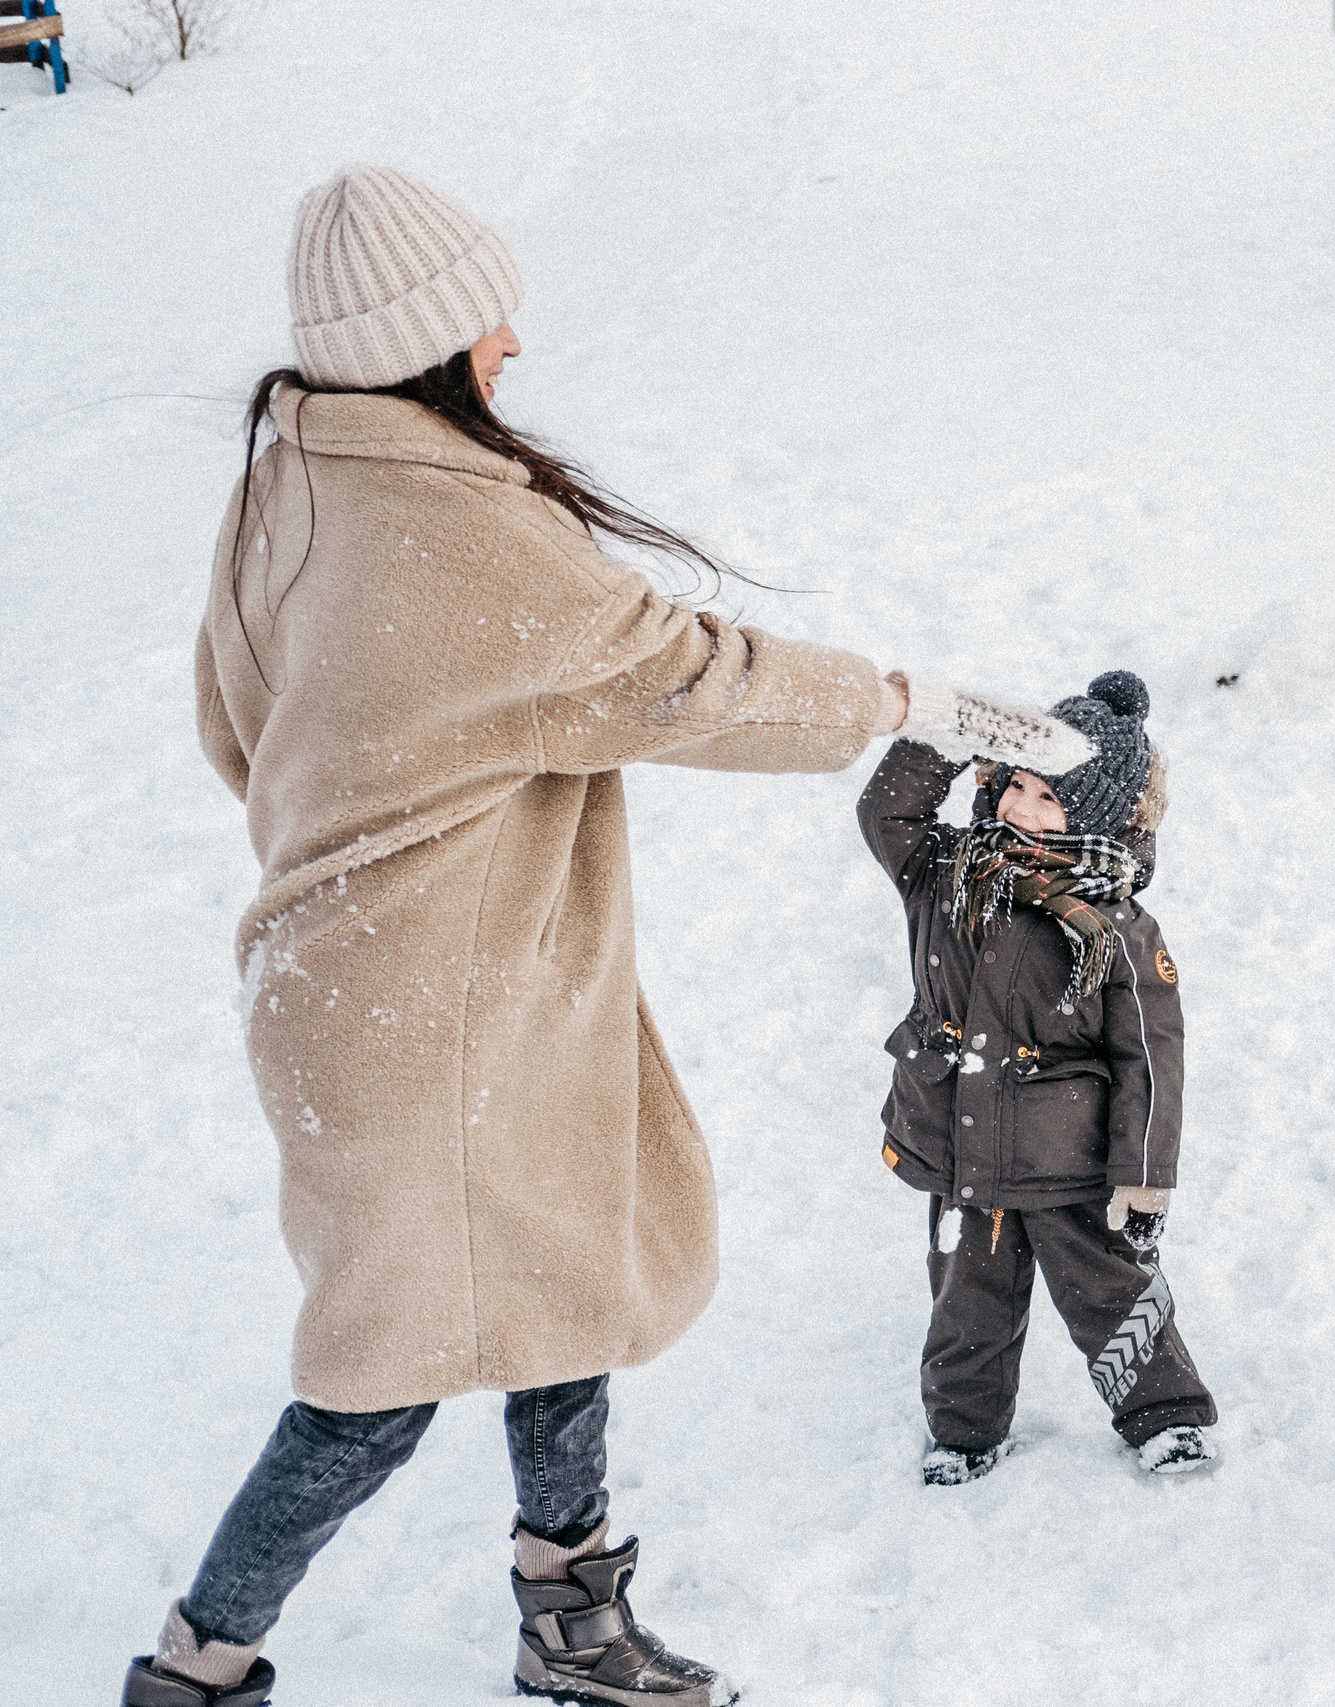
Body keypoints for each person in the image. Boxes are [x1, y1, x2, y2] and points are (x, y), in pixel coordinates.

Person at [128, 164, 1090, 1707]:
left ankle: (569, 1615)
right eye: (485, 319)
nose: (511, 340)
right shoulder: (453, 527)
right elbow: (682, 676)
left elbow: (235, 727)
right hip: (435, 1015)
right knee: (381, 1377)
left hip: (362, 987)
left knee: (556, 1281)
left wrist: (386, 817)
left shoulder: (293, 478)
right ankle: (199, 1662)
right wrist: (914, 703)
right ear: (424, 346)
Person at [857, 672, 1218, 1484]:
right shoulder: (946, 873)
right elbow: (888, 812)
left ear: (1095, 814)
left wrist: (1144, 1173)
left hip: (1067, 1162)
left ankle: (1166, 1414)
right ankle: (964, 1431)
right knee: (966, 1300)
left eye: (1049, 797)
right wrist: (955, 729)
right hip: (961, 1144)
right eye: (1017, 782)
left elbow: (1151, 1056)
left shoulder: (1118, 928)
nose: (1021, 806)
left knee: (1112, 1292)